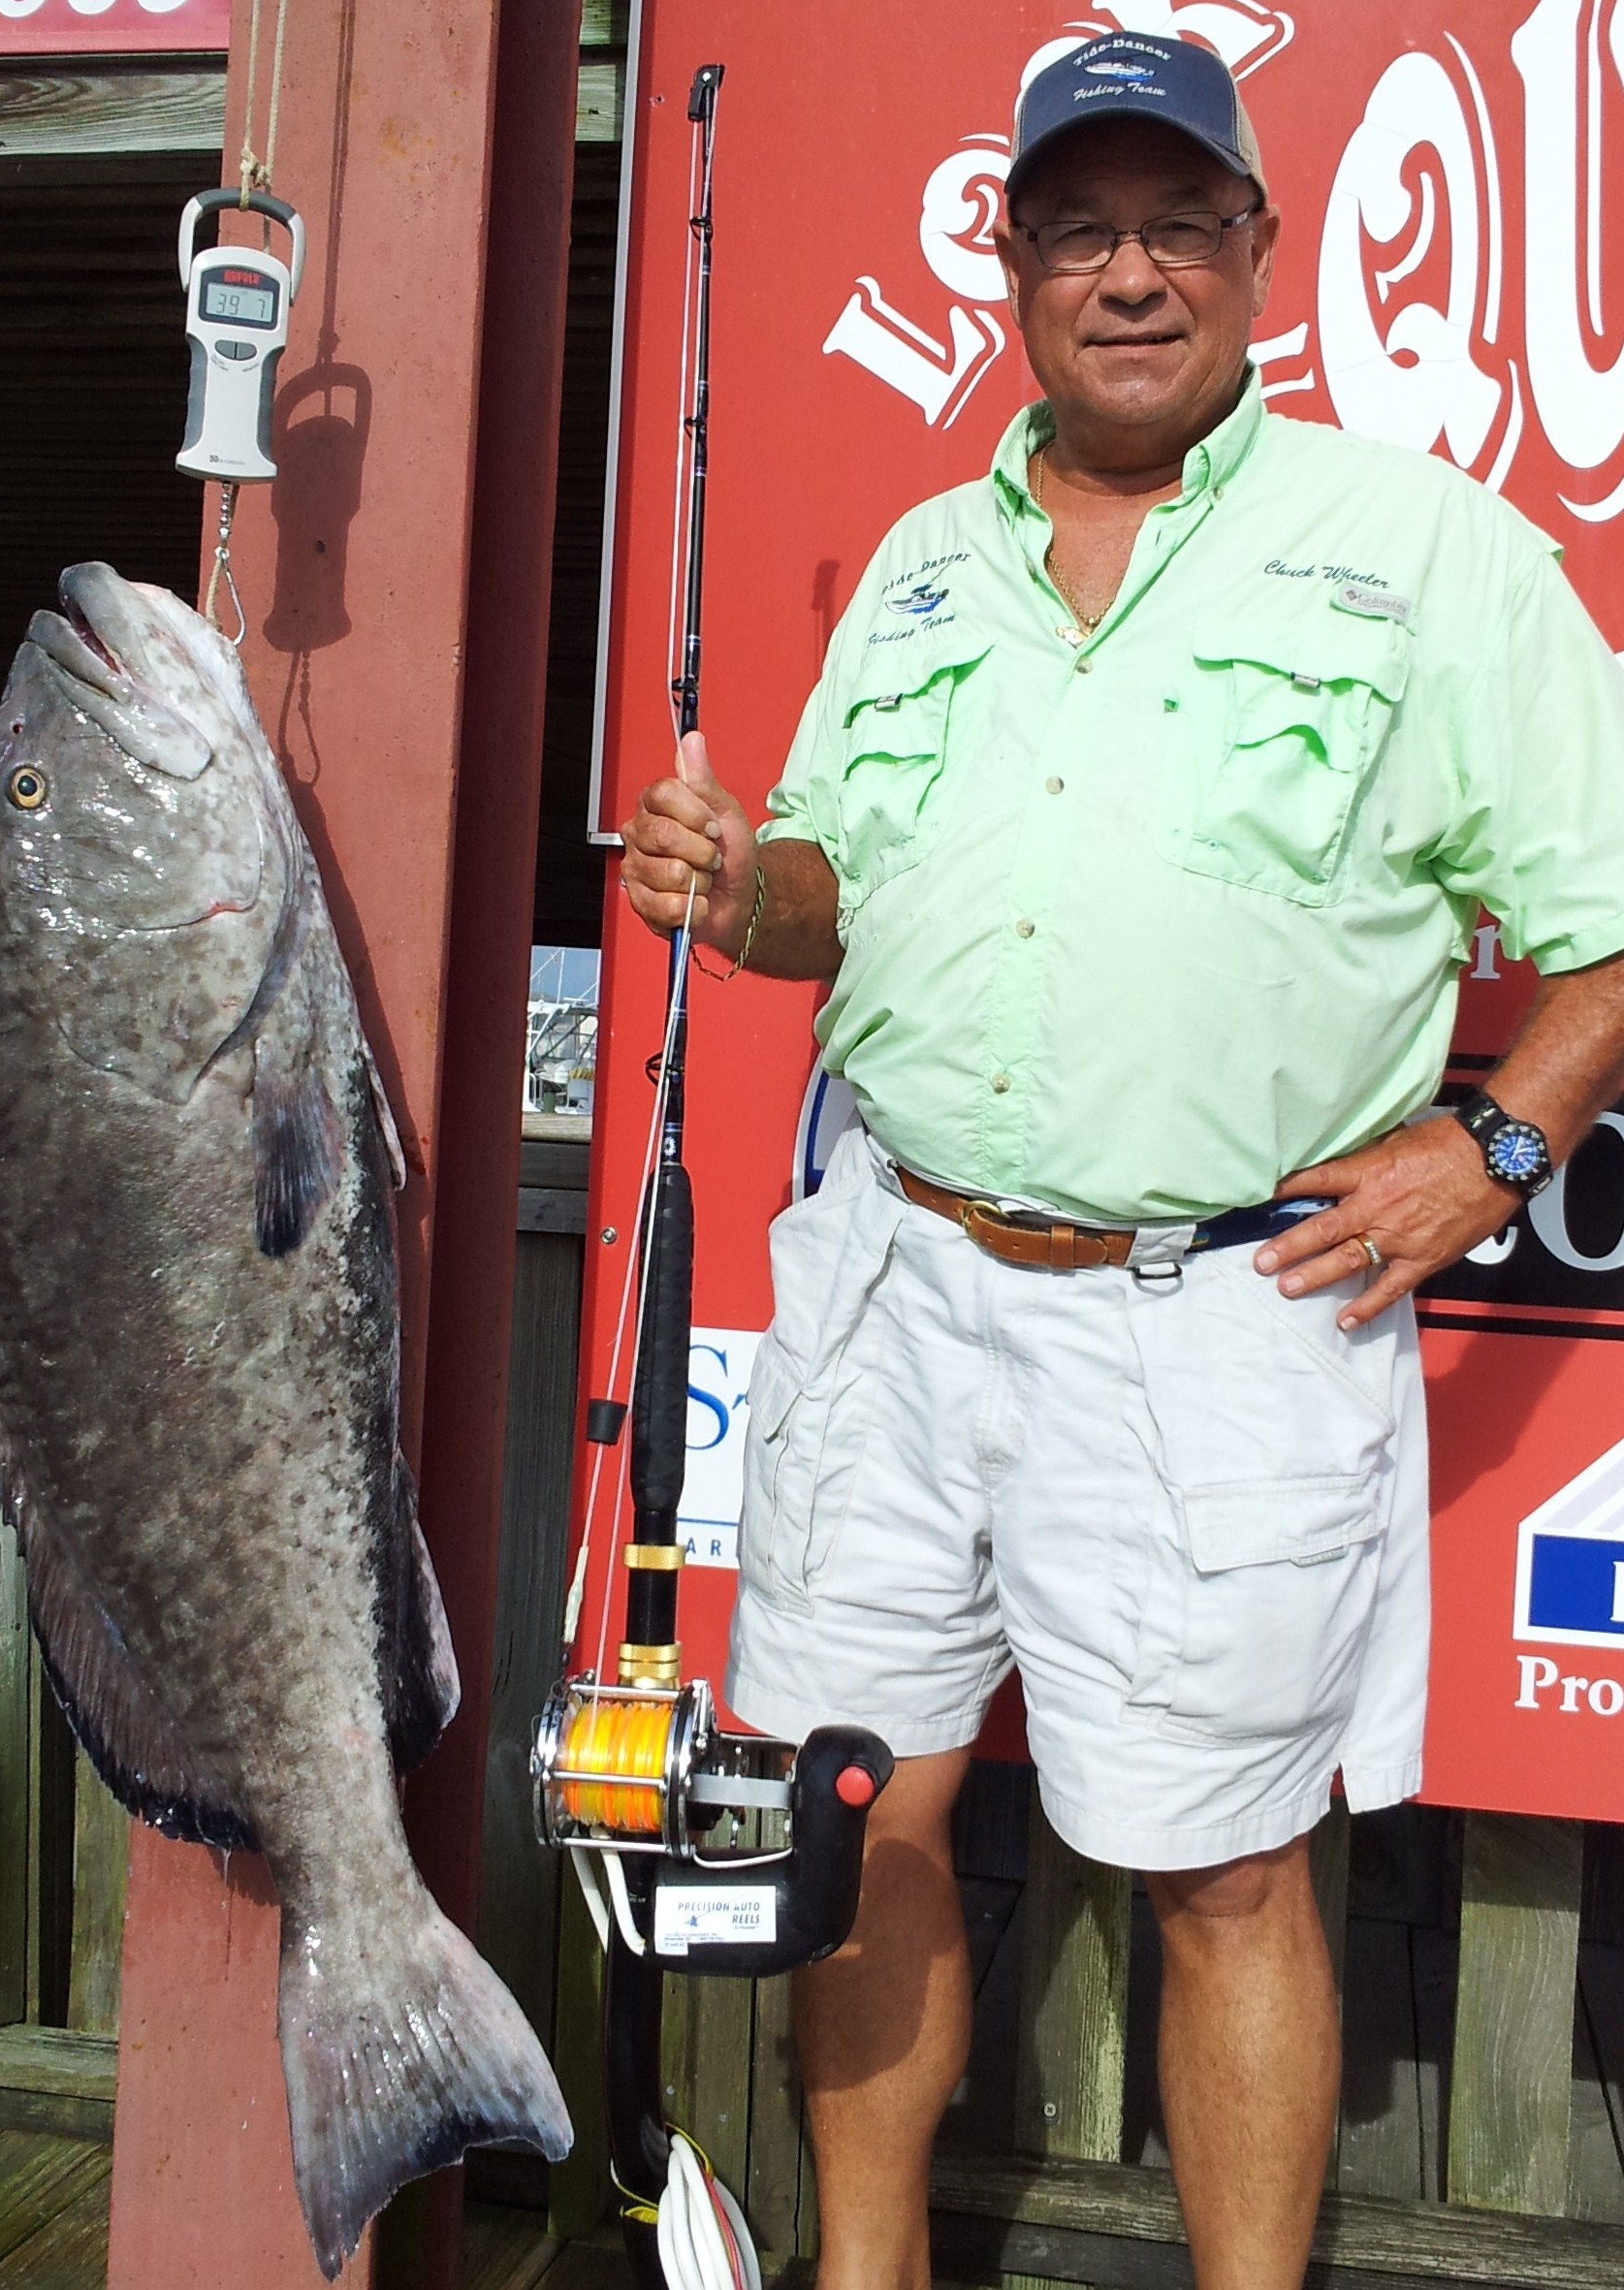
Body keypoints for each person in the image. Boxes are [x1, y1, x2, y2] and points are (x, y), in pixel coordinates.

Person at [621, 31, 1624, 2290]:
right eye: (1082, 232)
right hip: (893, 1280)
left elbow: (1615, 912)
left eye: (1181, 223)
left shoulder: (1425, 552)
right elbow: (830, 889)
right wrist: (742, 884)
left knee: (1232, 1870)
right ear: (1016, 273)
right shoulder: (921, 562)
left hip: (1216, 1314)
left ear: (1259, 249)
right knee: (856, 1811)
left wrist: (1499, 1140)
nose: (1134, 273)